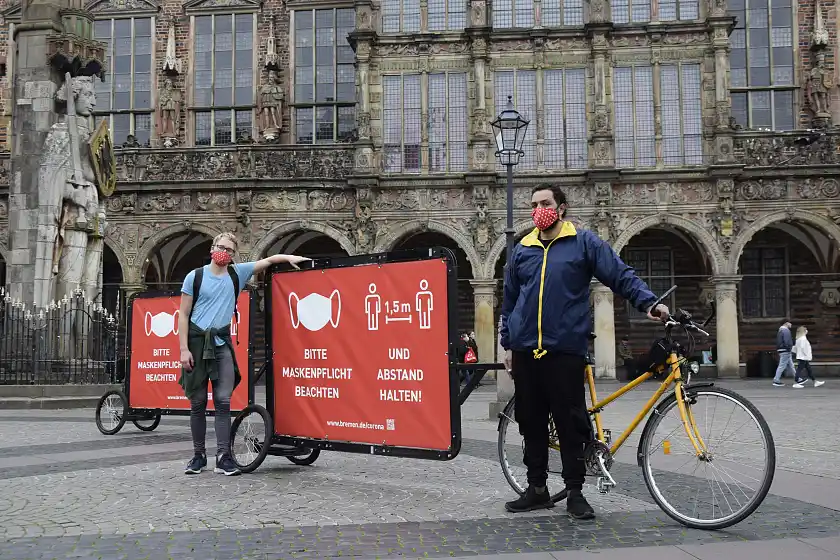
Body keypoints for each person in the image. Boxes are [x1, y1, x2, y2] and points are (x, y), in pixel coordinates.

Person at [500, 183, 669, 520]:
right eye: (534, 204)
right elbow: (510, 298)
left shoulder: (583, 242)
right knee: (531, 423)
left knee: (570, 422)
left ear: (561, 207)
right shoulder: (523, 249)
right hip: (525, 349)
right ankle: (536, 489)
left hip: (564, 348)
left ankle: (575, 491)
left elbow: (619, 274)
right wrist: (506, 341)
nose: (538, 209)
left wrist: (647, 301)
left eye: (545, 203)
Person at [178, 232, 309, 476]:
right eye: (220, 247)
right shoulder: (194, 277)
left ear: (233, 255)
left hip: (221, 344)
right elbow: (183, 314)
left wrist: (289, 257)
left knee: (223, 402)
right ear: (212, 248)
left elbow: (269, 261)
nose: (224, 252)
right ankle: (197, 456)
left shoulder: (237, 273)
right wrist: (183, 349)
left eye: (229, 250)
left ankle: (223, 457)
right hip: (196, 344)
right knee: (197, 403)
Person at [773, 321, 796, 387]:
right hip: (785, 349)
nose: (791, 324)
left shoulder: (780, 330)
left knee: (791, 365)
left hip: (782, 349)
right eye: (790, 323)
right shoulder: (786, 330)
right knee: (782, 365)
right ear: (786, 323)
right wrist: (789, 347)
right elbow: (787, 341)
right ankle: (776, 380)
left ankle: (797, 378)